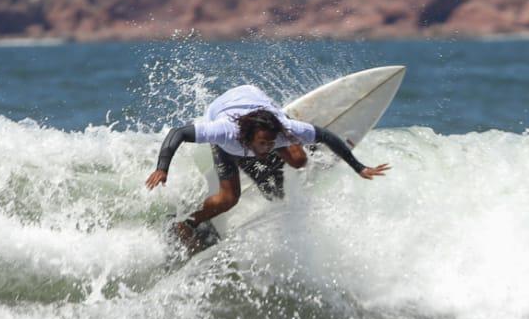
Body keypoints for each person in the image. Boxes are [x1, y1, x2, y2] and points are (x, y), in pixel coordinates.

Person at [145, 84, 390, 253]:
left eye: (271, 142)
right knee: (229, 199)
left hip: (259, 104)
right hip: (225, 111)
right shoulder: (224, 132)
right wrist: (162, 168)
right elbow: (178, 133)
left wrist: (358, 167)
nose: (268, 146)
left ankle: (281, 156)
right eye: (263, 143)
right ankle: (188, 222)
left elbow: (325, 135)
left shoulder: (282, 130)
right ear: (246, 136)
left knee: (298, 160)